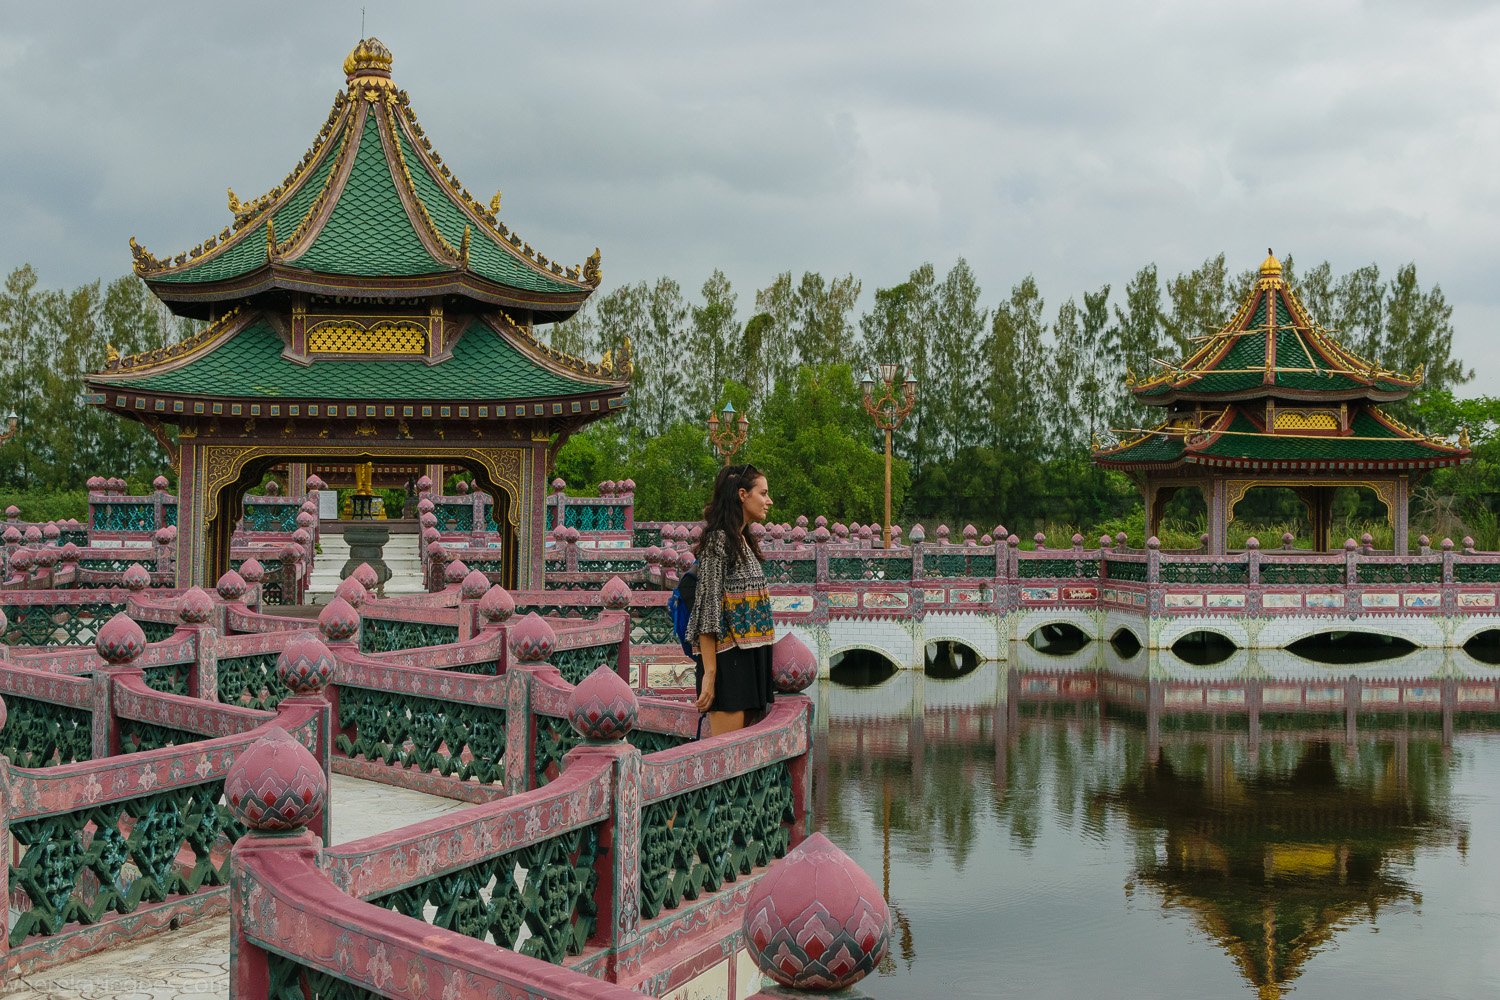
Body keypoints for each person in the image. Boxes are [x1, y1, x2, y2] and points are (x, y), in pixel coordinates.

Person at [688, 463, 775, 736]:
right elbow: (708, 610)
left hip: (750, 661)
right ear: (742, 494)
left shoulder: (743, 540)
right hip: (728, 664)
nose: (768, 501)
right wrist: (710, 675)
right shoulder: (718, 541)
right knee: (726, 756)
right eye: (763, 493)